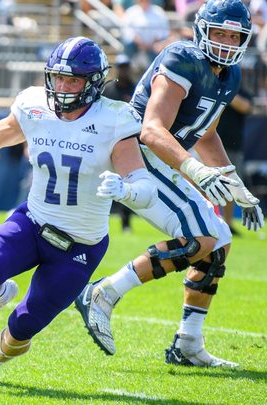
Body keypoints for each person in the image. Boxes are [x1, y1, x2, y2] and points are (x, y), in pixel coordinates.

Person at [0, 37, 156, 384]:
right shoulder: (34, 104)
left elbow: (144, 187)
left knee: (23, 327)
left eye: (73, 80)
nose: (63, 86)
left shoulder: (113, 120)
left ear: (93, 82)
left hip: (80, 245)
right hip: (33, 221)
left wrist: (127, 189)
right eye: (58, 77)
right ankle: (0, 294)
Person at [75, 0, 263, 368]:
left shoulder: (231, 73)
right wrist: (196, 170)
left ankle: (188, 342)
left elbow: (206, 133)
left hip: (164, 157)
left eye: (233, 35)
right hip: (137, 150)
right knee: (206, 235)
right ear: (201, 30)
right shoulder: (182, 59)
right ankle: (103, 293)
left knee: (217, 244)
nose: (225, 42)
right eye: (219, 33)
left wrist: (235, 183)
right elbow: (152, 128)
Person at [103, 54, 137, 233]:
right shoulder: (108, 89)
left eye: (126, 67)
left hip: (126, 140)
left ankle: (125, 223)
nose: (124, 70)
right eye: (121, 67)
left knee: (127, 181)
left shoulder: (135, 89)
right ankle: (99, 219)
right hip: (106, 139)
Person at [216, 87, 253, 235]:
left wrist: (226, 92)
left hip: (233, 145)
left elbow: (246, 107)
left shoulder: (239, 90)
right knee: (202, 183)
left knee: (231, 185)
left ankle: (228, 223)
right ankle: (207, 219)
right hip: (207, 143)